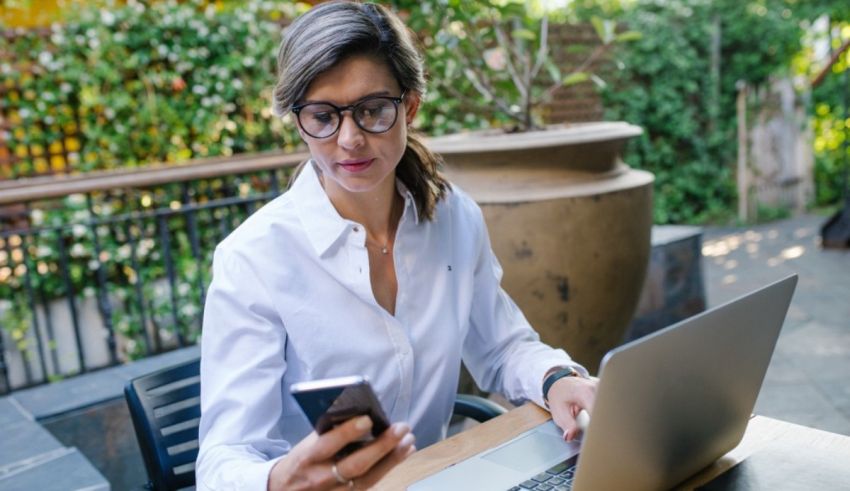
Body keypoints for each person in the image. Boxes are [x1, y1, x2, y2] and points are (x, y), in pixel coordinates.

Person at [196, 2, 598, 490]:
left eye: (371, 111)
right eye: (322, 116)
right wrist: (277, 481)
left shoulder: (454, 218)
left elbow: (503, 347)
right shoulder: (254, 258)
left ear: (408, 106)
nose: (349, 139)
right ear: (298, 121)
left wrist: (558, 379)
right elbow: (224, 458)